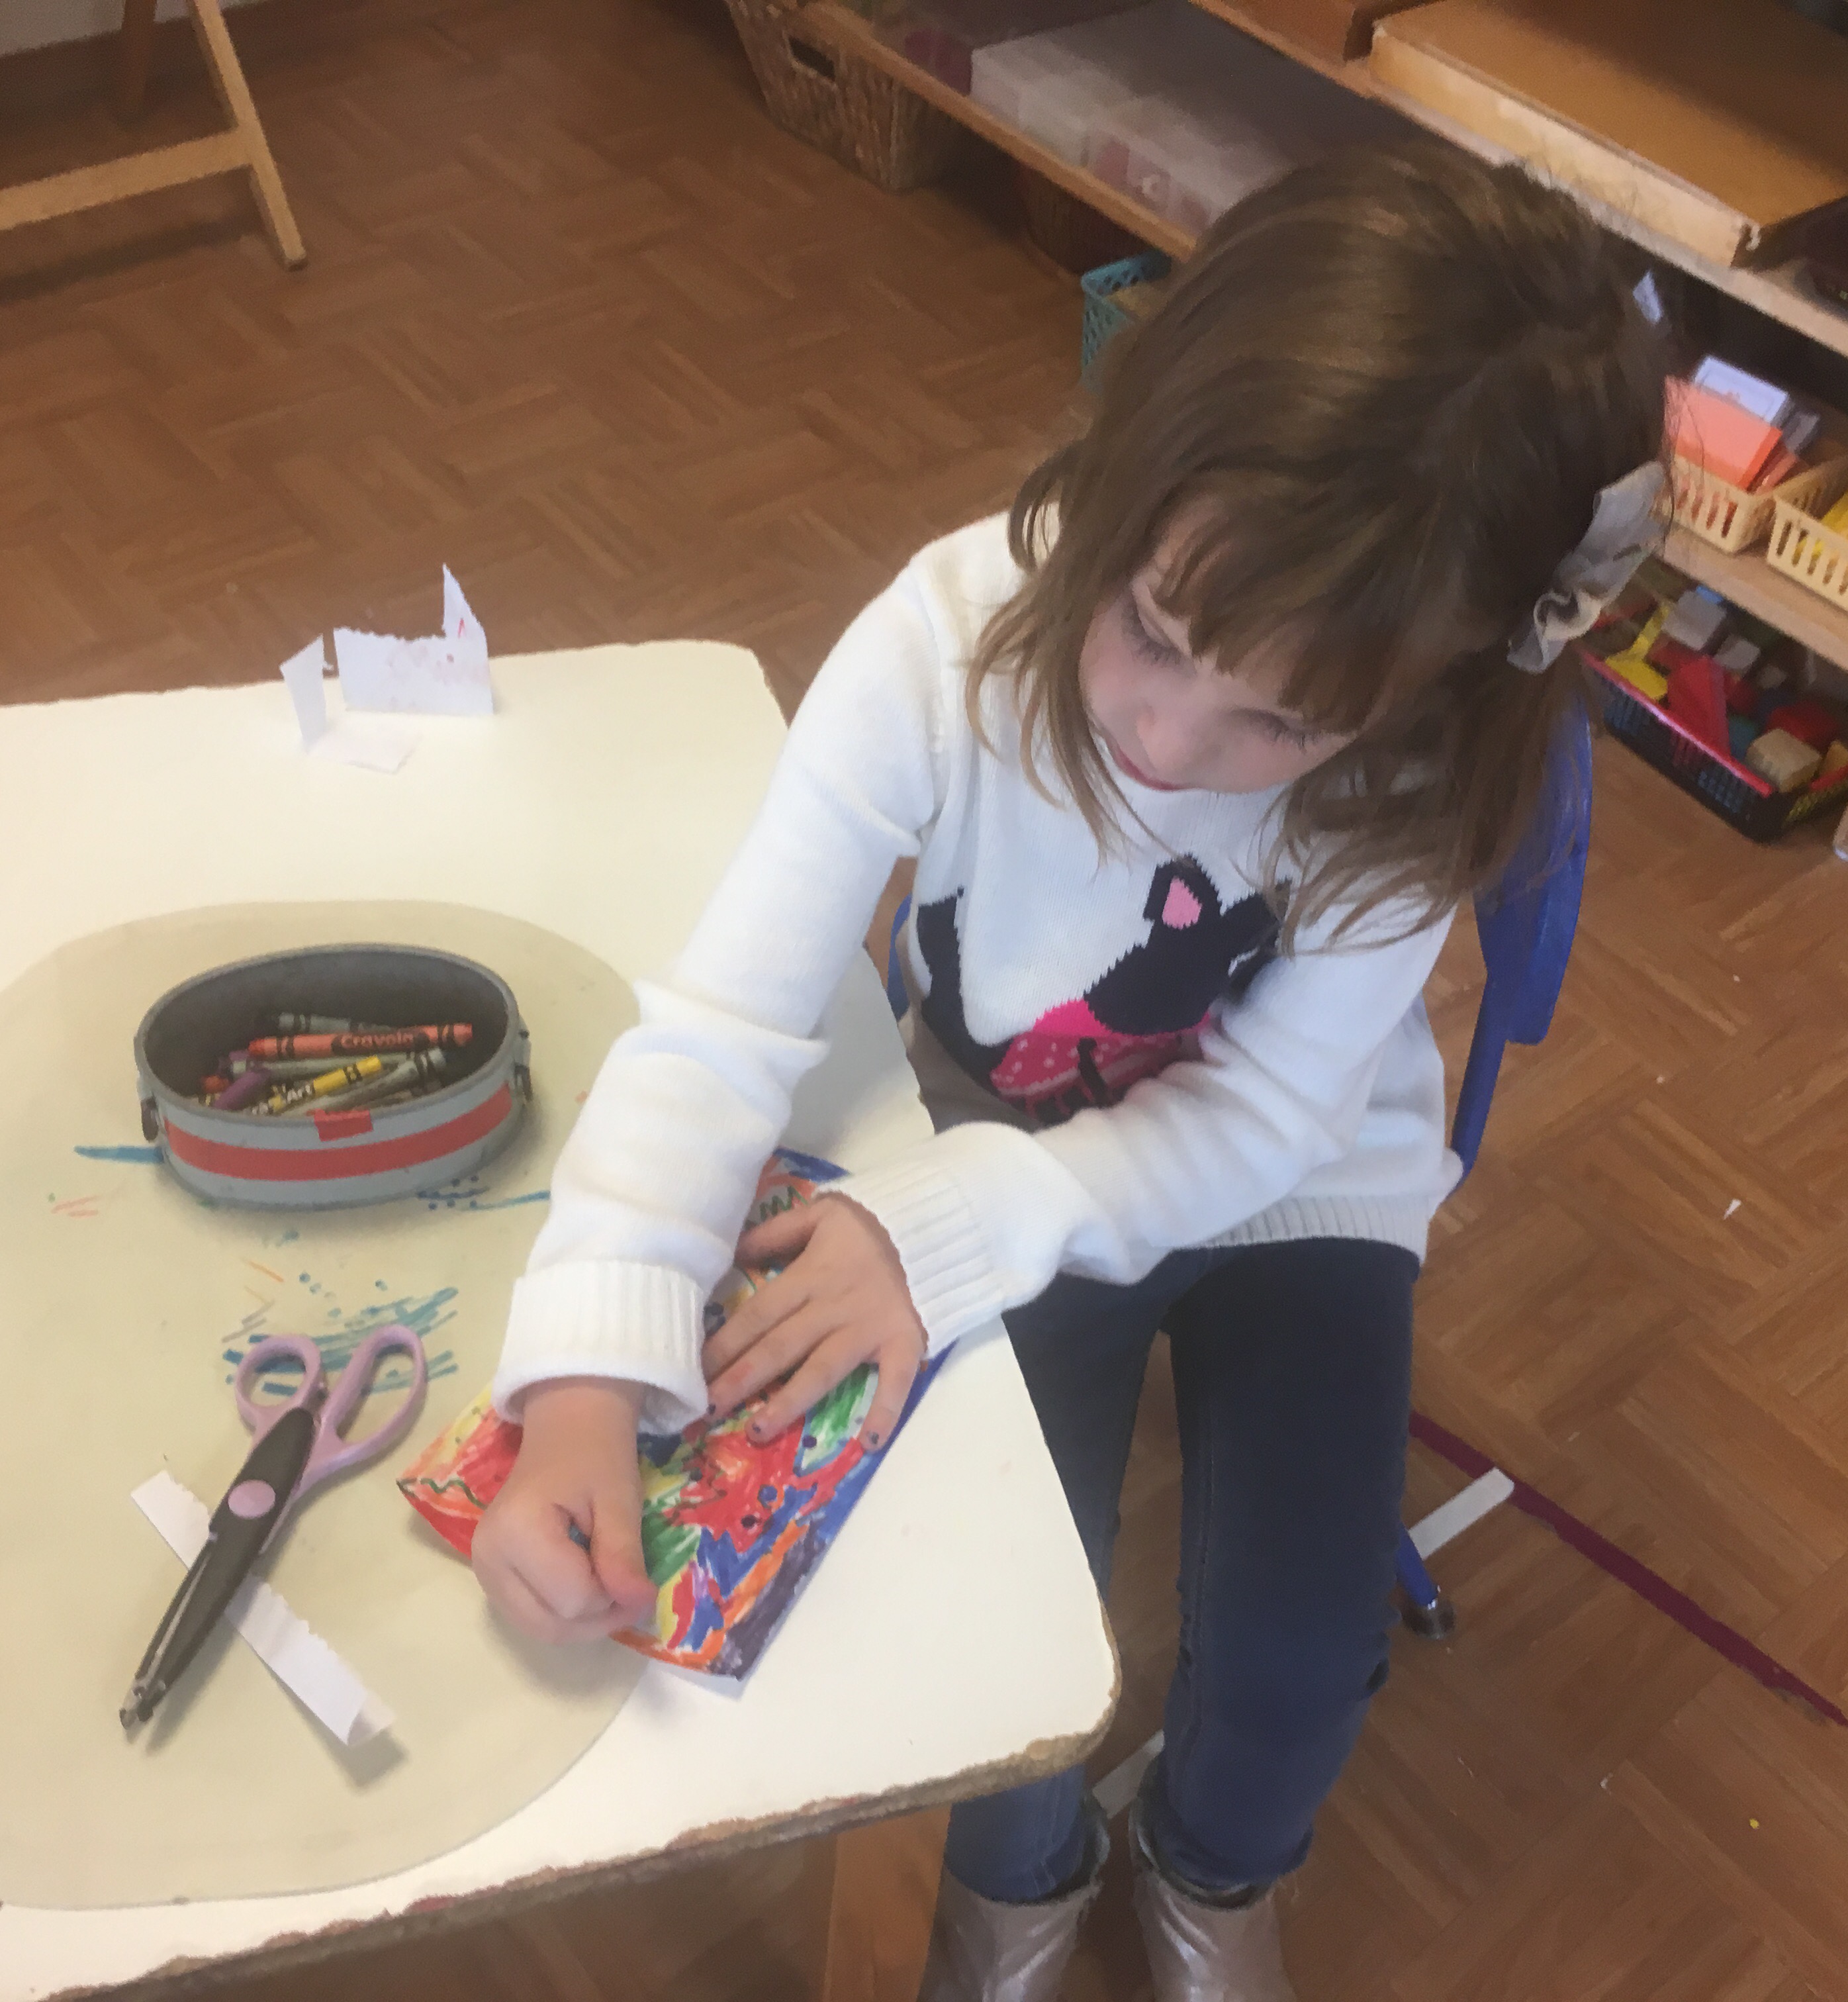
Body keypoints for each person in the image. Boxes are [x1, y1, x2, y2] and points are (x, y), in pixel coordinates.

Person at [469, 138, 1667, 2001]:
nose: (1166, 739)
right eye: (1153, 632)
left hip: (1290, 1180)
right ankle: (1014, 1896)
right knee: (999, 1629)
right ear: (1120, 466)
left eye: (1282, 720)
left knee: (1298, 1655)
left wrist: (944, 1228)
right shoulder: (942, 642)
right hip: (1001, 1134)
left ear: (1431, 684)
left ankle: (1216, 1877)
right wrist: (580, 1375)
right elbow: (722, 1027)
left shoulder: (1429, 766)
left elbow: (1266, 1116)